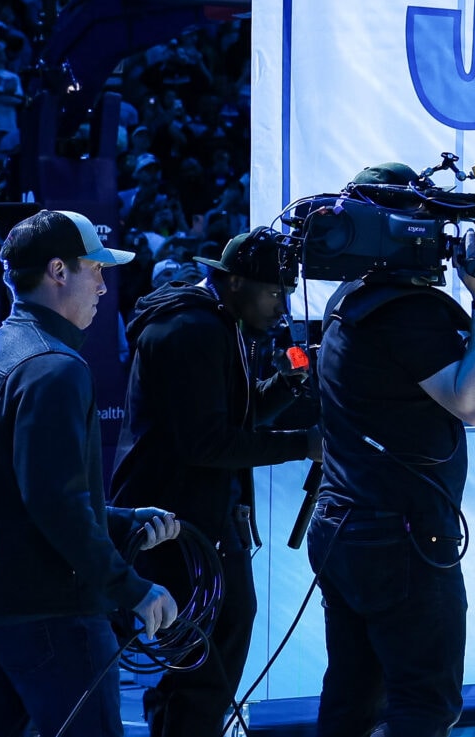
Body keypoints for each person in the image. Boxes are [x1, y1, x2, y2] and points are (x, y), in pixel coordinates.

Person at [0, 210, 183, 737]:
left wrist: (120, 521)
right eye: (95, 269)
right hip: (45, 611)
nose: (105, 284)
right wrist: (132, 588)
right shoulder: (53, 366)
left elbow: (16, 495)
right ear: (59, 271)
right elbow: (53, 504)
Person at [307, 162, 475, 737]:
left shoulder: (354, 298)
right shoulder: (407, 311)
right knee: (423, 705)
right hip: (401, 536)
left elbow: (447, 381)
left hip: (346, 525)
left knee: (352, 701)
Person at [110, 228, 320, 737]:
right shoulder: (193, 330)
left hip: (195, 516)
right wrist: (303, 444)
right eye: (274, 292)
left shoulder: (217, 322)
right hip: (177, 522)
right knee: (209, 650)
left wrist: (283, 389)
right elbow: (205, 444)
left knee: (209, 646)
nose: (282, 306)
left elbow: (231, 421)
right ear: (234, 283)